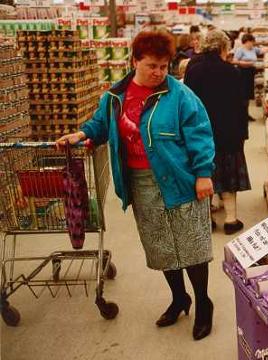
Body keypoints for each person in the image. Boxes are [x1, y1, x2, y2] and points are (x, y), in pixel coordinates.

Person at [55, 30, 216, 341]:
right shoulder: (115, 96)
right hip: (141, 182)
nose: (158, 73)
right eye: (151, 66)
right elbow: (100, 125)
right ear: (134, 61)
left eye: (164, 66)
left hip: (181, 179)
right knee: (162, 248)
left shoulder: (181, 96)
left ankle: (203, 303)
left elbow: (200, 134)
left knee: (192, 246)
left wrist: (203, 173)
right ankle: (179, 298)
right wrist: (80, 134)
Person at [185, 30, 250, 235]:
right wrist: (243, 134)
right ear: (223, 48)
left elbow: (186, 103)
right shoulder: (232, 71)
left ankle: (208, 219)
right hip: (228, 133)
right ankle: (231, 220)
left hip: (200, 133)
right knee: (228, 175)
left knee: (205, 174)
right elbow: (241, 105)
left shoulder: (193, 69)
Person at [233, 33, 268, 122]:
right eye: (251, 42)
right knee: (243, 95)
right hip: (242, 74)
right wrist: (248, 63)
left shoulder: (253, 49)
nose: (252, 44)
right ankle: (242, 115)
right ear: (246, 42)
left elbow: (261, 51)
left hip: (250, 74)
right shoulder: (240, 50)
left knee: (248, 95)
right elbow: (235, 61)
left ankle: (246, 114)